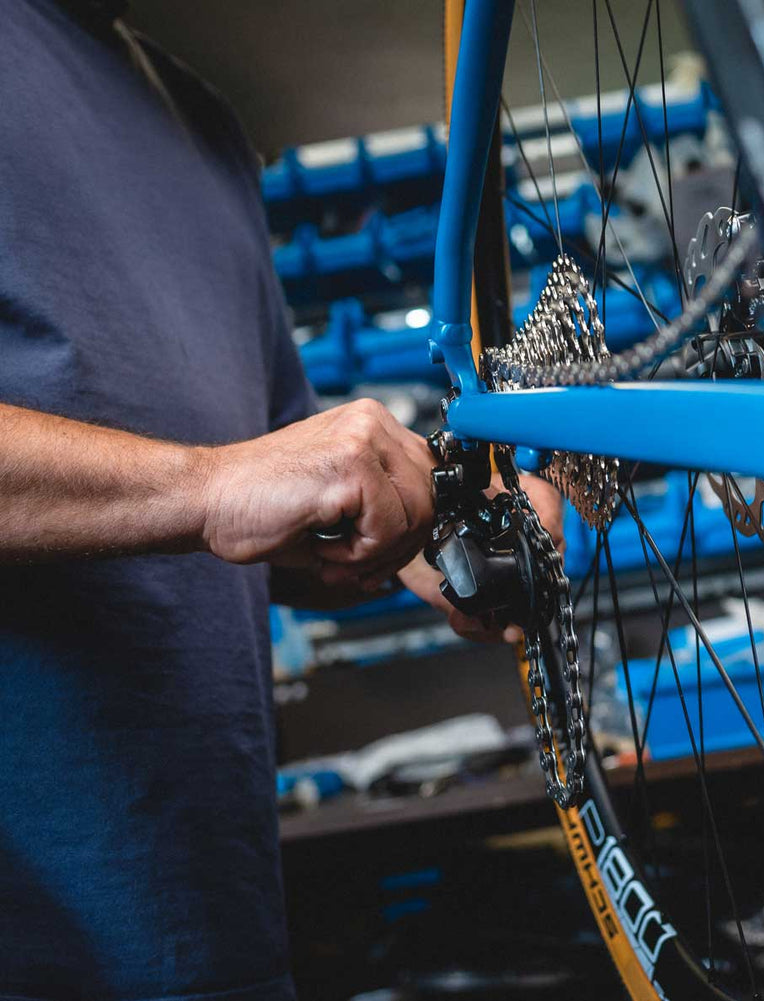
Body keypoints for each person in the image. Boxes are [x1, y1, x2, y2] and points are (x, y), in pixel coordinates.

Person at [0, 2, 557, 997]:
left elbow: (269, 529)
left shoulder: (202, 126)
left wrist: (440, 539)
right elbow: (219, 492)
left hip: (211, 931)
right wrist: (206, 483)